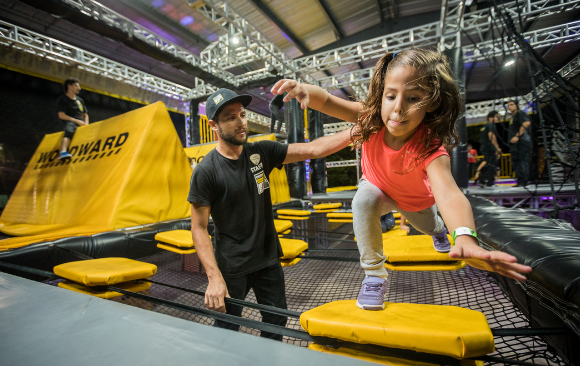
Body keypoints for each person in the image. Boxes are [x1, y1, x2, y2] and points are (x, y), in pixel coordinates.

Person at [272, 48, 532, 311]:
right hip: (377, 188)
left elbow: (449, 194)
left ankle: (439, 230)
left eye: (413, 98)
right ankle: (374, 276)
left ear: (431, 102)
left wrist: (464, 238)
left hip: (414, 201)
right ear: (381, 95)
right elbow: (328, 103)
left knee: (429, 226)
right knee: (362, 201)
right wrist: (305, 89)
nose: (398, 108)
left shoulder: (430, 148)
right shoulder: (371, 119)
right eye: (391, 96)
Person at [188, 88, 352, 340]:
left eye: (242, 114)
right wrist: (214, 277)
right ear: (214, 125)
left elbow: (314, 149)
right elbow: (198, 228)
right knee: (227, 327)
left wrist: (356, 131)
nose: (241, 122)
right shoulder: (206, 171)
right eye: (231, 117)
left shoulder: (260, 153)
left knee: (276, 321)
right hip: (232, 265)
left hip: (267, 259)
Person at [57, 78, 89, 159]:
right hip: (71, 121)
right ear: (69, 86)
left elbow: (85, 114)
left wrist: (86, 124)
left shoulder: (80, 100)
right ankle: (63, 152)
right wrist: (76, 121)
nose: (79, 88)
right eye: (76, 86)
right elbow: (61, 115)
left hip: (82, 123)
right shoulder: (63, 99)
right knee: (69, 128)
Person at [507, 100, 532, 187]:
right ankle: (520, 181)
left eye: (511, 104)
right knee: (517, 161)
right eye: (508, 105)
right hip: (515, 144)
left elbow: (526, 123)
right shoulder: (513, 116)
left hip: (521, 141)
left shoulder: (520, 113)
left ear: (517, 105)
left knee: (521, 160)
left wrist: (517, 136)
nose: (509, 106)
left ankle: (524, 181)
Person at [479, 111, 502, 187]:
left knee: (488, 163)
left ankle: (483, 181)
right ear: (490, 117)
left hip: (484, 147)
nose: (497, 119)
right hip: (489, 147)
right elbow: (491, 137)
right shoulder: (490, 125)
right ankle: (489, 182)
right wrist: (497, 148)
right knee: (492, 165)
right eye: (496, 117)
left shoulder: (485, 126)